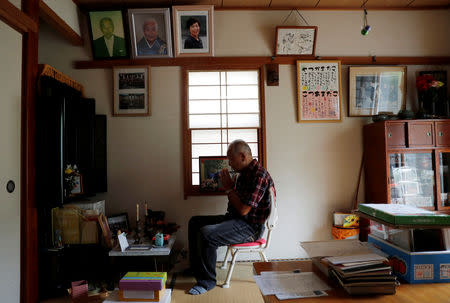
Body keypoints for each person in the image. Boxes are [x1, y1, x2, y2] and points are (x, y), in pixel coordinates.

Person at [187, 140, 275, 295]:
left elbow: (243, 210)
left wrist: (229, 189)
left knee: (206, 234)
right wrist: (232, 188)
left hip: (250, 228)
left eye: (231, 159)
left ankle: (207, 282)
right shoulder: (243, 174)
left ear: (242, 156)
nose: (229, 163)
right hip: (236, 220)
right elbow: (236, 206)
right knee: (195, 222)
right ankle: (196, 268)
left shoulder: (259, 175)